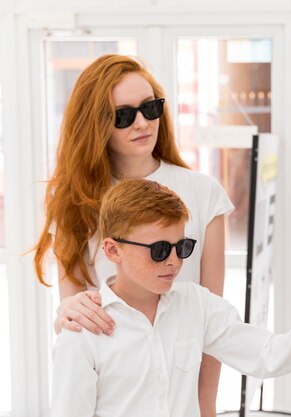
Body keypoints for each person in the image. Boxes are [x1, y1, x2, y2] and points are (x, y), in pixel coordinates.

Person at [50, 179, 291, 417]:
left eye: (182, 247)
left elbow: (268, 356)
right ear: (113, 250)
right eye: (159, 250)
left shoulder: (196, 305)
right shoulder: (82, 331)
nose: (174, 261)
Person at [33, 54, 233, 416]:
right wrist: (64, 312)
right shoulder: (73, 201)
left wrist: (207, 408)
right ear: (97, 124)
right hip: (110, 392)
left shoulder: (204, 194)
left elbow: (210, 328)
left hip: (179, 396)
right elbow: (73, 316)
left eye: (150, 108)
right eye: (123, 116)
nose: (142, 123)